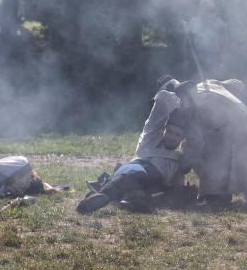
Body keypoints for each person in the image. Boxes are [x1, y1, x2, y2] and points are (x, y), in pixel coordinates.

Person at [78, 78, 192, 214]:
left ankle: (134, 201)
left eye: (177, 135)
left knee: (187, 192)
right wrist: (177, 93)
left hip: (151, 187)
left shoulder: (178, 160)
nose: (172, 137)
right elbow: (163, 98)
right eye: (170, 132)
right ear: (164, 130)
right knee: (137, 175)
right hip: (134, 172)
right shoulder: (151, 136)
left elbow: (175, 185)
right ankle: (100, 198)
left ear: (183, 137)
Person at [176, 77, 247, 205]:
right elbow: (238, 84)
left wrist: (182, 169)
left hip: (230, 126)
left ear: (181, 94)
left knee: (205, 153)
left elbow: (196, 142)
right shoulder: (210, 85)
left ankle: (211, 192)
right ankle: (243, 191)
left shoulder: (189, 101)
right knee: (238, 159)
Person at [182, 0, 229, 81]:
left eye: (203, 7)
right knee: (194, 86)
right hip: (195, 61)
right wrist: (186, 60)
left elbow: (224, 46)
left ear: (209, 9)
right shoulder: (194, 22)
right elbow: (187, 42)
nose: (200, 9)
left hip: (213, 60)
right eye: (200, 7)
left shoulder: (220, 25)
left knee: (212, 86)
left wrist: (222, 64)